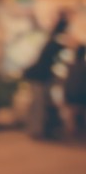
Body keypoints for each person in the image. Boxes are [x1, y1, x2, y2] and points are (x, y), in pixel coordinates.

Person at [23, 10, 71, 140]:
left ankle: (36, 130)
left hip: (40, 76)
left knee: (38, 105)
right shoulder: (56, 43)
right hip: (39, 77)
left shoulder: (52, 41)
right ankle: (37, 131)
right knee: (38, 105)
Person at [63, 45, 86, 137]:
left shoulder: (70, 66)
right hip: (82, 95)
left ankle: (72, 133)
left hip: (72, 95)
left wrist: (66, 94)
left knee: (72, 115)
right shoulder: (84, 67)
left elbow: (67, 82)